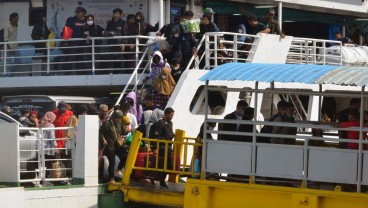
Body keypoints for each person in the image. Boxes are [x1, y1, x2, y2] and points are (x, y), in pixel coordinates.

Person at [150, 107, 175, 189]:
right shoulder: (160, 123)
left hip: (168, 147)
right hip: (162, 147)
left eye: (172, 115)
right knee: (167, 164)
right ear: (166, 114)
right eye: (171, 115)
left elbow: (170, 134)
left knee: (167, 165)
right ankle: (161, 181)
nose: (172, 117)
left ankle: (160, 179)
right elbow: (157, 136)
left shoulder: (170, 123)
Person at [99, 110, 123, 184]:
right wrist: (103, 139)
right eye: (118, 118)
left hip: (118, 145)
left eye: (120, 118)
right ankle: (111, 178)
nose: (119, 119)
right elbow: (100, 133)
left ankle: (118, 171)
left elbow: (122, 131)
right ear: (114, 117)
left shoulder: (119, 124)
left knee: (125, 156)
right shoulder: (106, 123)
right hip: (109, 146)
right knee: (112, 162)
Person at [63, 7, 87, 73]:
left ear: (83, 13)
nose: (77, 14)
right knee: (70, 59)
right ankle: (66, 76)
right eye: (76, 12)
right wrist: (66, 41)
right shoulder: (71, 20)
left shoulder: (87, 21)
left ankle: (81, 76)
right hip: (73, 43)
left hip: (83, 44)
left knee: (81, 60)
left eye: (78, 12)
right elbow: (66, 30)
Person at [39, 111, 57, 178]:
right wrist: (55, 146)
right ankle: (47, 178)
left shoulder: (41, 124)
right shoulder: (51, 126)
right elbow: (52, 137)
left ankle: (41, 177)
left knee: (41, 164)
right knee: (48, 164)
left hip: (40, 148)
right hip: (48, 148)